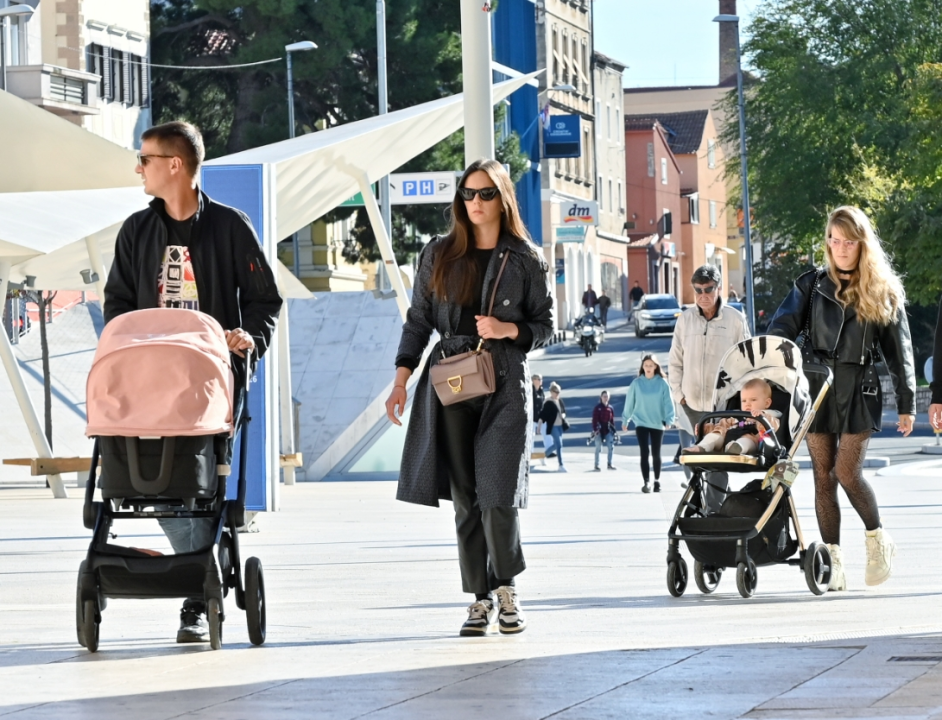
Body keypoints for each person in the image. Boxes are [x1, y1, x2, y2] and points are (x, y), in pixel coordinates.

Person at [103, 121, 283, 643]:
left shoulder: (230, 227)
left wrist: (248, 337)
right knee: (152, 481)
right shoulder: (136, 232)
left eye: (146, 159)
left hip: (208, 385)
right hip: (147, 384)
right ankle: (196, 575)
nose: (139, 168)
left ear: (175, 165)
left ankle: (193, 595)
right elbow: (117, 304)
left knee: (200, 483)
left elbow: (264, 300)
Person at [385, 159, 554, 637]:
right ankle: (478, 598)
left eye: (485, 194)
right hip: (452, 380)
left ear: (503, 198)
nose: (475, 203)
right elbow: (418, 320)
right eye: (467, 194)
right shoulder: (439, 253)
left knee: (498, 494)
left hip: (504, 379)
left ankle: (506, 589)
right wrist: (401, 379)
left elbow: (546, 326)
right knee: (466, 497)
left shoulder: (525, 257)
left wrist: (509, 329)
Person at [767, 205, 914, 591]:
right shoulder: (810, 285)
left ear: (861, 243)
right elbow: (781, 327)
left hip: (860, 391)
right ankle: (833, 560)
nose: (840, 248)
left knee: (846, 473)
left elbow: (901, 352)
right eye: (834, 240)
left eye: (848, 241)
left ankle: (877, 539)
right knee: (821, 478)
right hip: (817, 390)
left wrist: (906, 402)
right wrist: (779, 362)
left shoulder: (882, 289)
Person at [668, 265, 750, 506]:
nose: (703, 295)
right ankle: (697, 507)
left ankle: (715, 512)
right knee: (694, 460)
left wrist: (735, 398)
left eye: (708, 289)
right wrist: (679, 394)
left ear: (718, 287)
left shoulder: (735, 319)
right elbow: (675, 360)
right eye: (698, 290)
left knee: (716, 461)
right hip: (691, 404)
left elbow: (746, 362)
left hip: (721, 406)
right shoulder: (685, 319)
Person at [683, 378, 780, 455]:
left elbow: (773, 426)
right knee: (716, 434)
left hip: (751, 442)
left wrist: (762, 418)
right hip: (724, 441)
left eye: (753, 400)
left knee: (747, 440)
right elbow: (721, 425)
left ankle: (736, 448)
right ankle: (701, 447)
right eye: (744, 401)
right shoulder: (735, 417)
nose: (748, 404)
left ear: (767, 403)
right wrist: (705, 428)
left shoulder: (770, 416)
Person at [622, 354, 674, 493]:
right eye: (646, 365)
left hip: (658, 422)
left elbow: (668, 403)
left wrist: (669, 419)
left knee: (656, 453)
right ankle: (646, 482)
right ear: (642, 367)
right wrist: (625, 419)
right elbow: (629, 403)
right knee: (644, 452)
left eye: (651, 365)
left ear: (656, 367)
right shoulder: (637, 383)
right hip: (641, 422)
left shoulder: (662, 383)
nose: (648, 368)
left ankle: (657, 481)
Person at [539, 382, 567, 473]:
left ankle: (543, 455)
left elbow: (563, 410)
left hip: (560, 426)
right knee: (559, 445)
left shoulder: (560, 400)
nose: (558, 394)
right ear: (551, 392)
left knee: (556, 445)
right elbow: (543, 415)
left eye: (559, 392)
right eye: (556, 392)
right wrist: (539, 425)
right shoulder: (548, 402)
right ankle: (561, 465)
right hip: (553, 426)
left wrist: (563, 415)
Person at [591, 391, 616, 471]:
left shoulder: (610, 408)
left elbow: (612, 420)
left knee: (611, 446)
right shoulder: (597, 408)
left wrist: (613, 430)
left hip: (607, 429)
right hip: (599, 429)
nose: (605, 398)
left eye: (607, 396)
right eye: (604, 396)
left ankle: (610, 464)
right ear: (601, 397)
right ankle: (596, 465)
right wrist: (595, 430)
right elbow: (594, 420)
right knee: (598, 447)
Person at [531, 373, 546, 465]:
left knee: (547, 437)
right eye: (539, 379)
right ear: (534, 380)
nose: (541, 381)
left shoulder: (541, 391)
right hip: (532, 419)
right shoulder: (530, 391)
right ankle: (530, 457)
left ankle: (545, 455)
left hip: (541, 418)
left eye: (541, 379)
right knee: (531, 439)